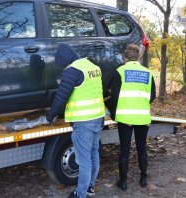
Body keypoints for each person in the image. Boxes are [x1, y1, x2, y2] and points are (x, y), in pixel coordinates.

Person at [46, 44, 106, 198]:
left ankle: (80, 194)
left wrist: (51, 115)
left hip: (83, 121)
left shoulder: (72, 70)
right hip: (98, 118)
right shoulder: (93, 67)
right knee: (94, 154)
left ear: (65, 60)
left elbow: (61, 96)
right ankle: (90, 188)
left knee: (84, 160)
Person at [106, 44, 156, 191]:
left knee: (125, 150)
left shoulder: (120, 71)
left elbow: (113, 96)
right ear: (139, 57)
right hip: (142, 117)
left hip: (125, 118)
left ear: (125, 58)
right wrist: (141, 104)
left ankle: (123, 182)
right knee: (142, 149)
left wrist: (114, 113)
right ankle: (144, 178)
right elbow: (152, 95)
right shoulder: (148, 73)